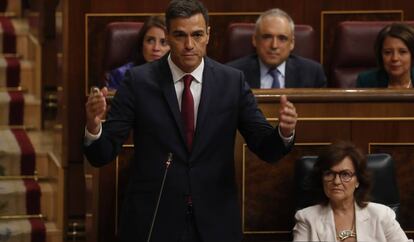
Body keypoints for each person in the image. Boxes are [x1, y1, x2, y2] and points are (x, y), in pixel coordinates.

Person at [84, 0, 298, 242]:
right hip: (153, 219)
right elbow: (102, 153)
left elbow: (265, 148)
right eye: (179, 35)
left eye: (197, 35)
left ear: (208, 34)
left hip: (215, 220)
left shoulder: (232, 82)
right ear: (167, 35)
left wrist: (284, 131)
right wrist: (93, 126)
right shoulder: (138, 82)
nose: (189, 45)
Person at [292, 141, 411, 242]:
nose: (336, 181)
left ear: (358, 180)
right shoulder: (307, 219)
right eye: (329, 174)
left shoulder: (382, 215)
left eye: (345, 174)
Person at [227, 8, 326, 88]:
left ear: (292, 43)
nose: (274, 45)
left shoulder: (313, 73)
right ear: (255, 40)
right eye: (267, 37)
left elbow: (321, 112)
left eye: (282, 38)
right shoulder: (233, 74)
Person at [106, 15, 170, 89]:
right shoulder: (122, 75)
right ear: (141, 44)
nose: (156, 48)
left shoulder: (180, 75)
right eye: (150, 41)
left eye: (164, 42)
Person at [356, 23, 414, 88]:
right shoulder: (366, 81)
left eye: (402, 52)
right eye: (388, 52)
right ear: (380, 55)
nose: (395, 58)